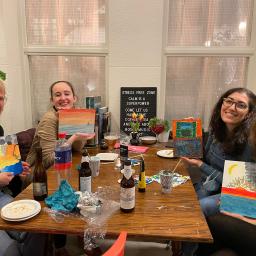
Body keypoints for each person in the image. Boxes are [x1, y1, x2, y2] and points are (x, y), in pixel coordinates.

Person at [181, 88, 256, 256]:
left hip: (239, 195)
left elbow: (236, 186)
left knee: (199, 208)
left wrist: (200, 165)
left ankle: (189, 253)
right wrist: (192, 135)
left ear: (250, 113)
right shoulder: (216, 129)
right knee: (184, 201)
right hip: (212, 185)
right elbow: (205, 159)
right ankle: (181, 246)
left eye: (241, 105)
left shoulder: (249, 143)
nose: (231, 107)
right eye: (228, 101)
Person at [26, 80, 95, 256]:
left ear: (74, 97)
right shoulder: (49, 120)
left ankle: (83, 235)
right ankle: (59, 246)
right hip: (38, 176)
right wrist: (75, 137)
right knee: (66, 191)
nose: (63, 98)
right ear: (52, 100)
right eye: (58, 95)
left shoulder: (73, 115)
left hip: (63, 166)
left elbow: (77, 150)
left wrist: (83, 134)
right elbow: (49, 160)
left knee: (86, 188)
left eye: (67, 94)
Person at [0, 79, 48, 256]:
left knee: (42, 223)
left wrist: (15, 168)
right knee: (9, 251)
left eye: (1, 98)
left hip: (2, 196)